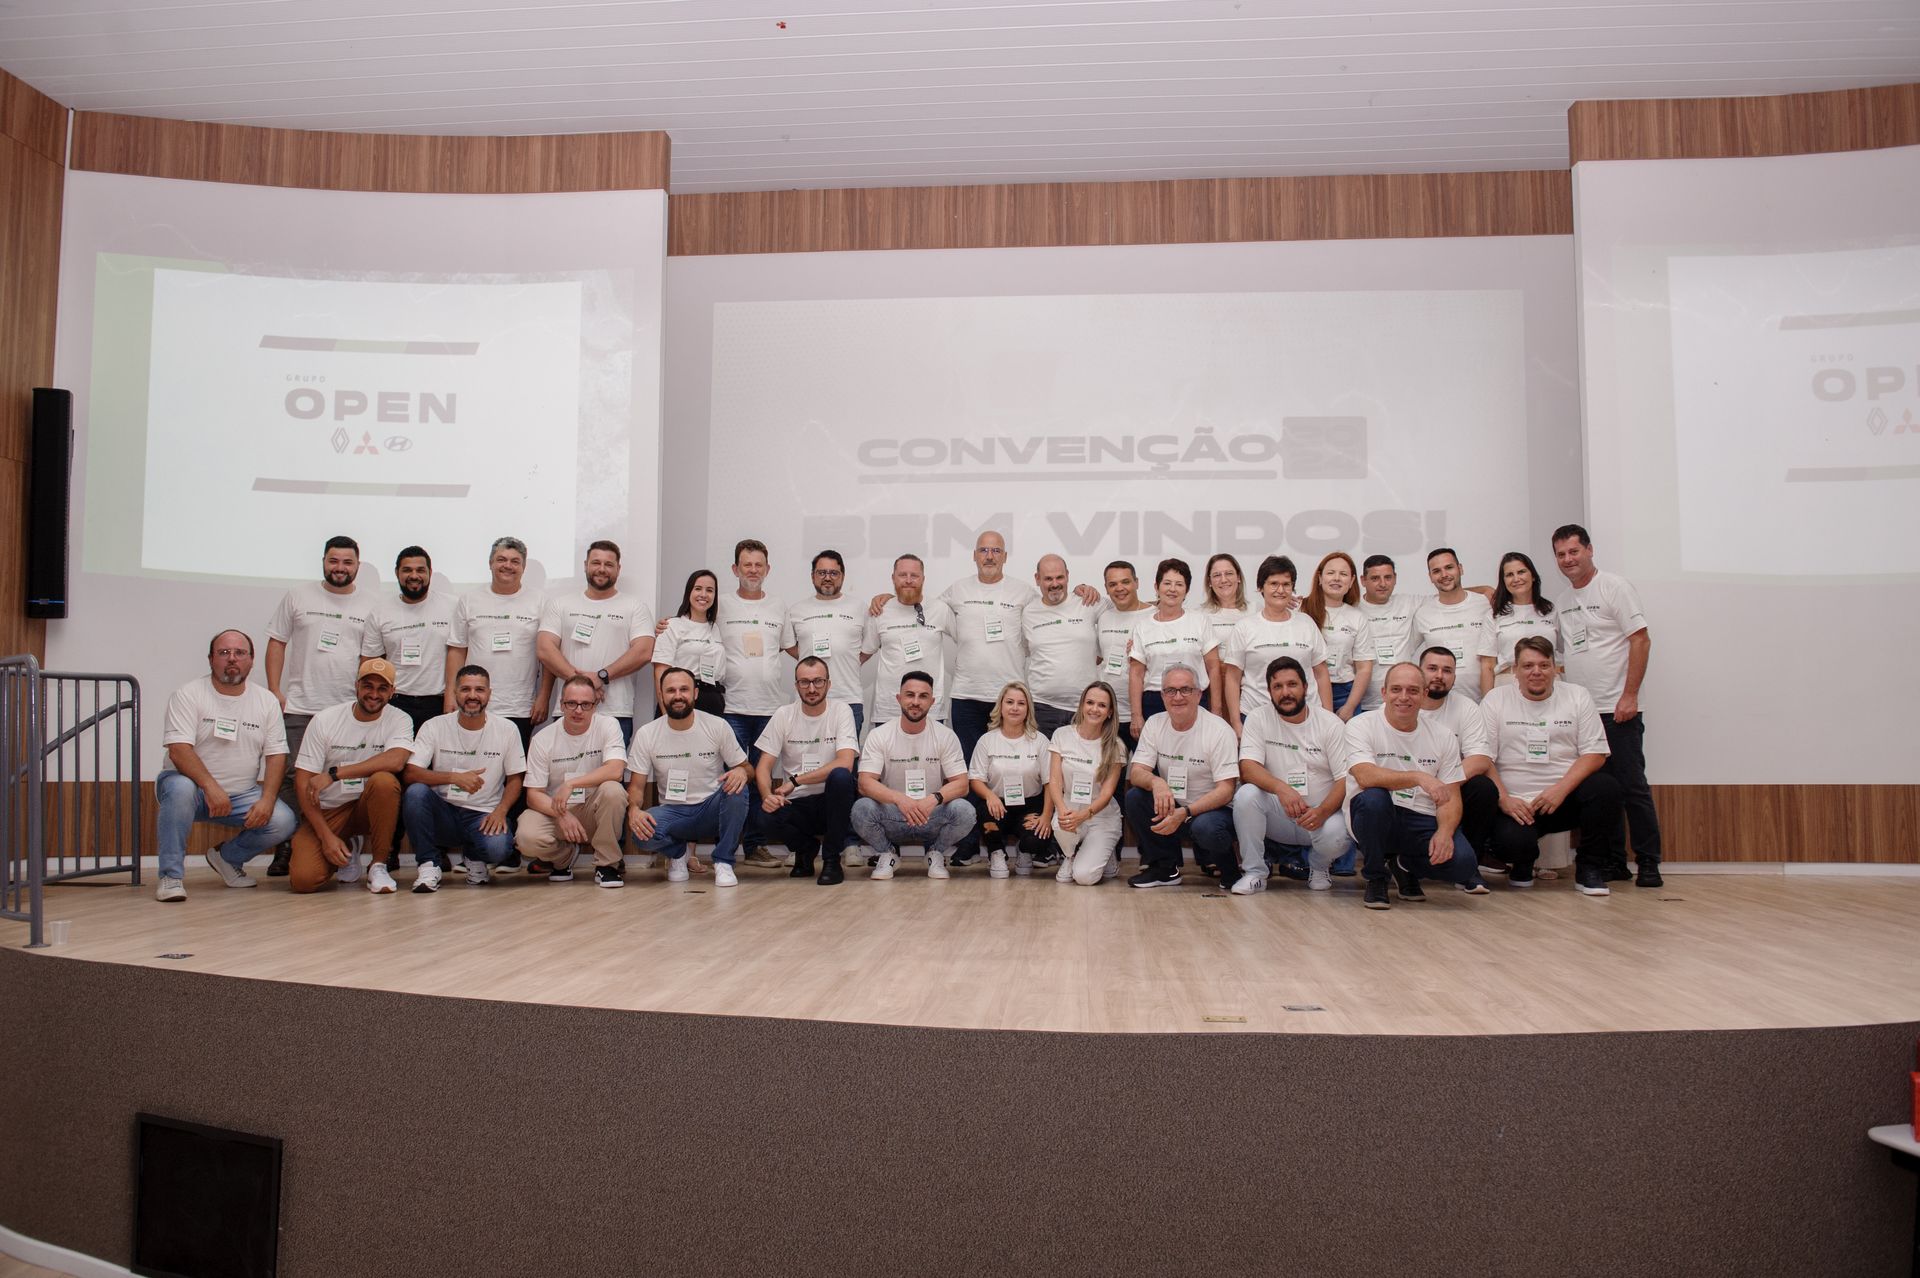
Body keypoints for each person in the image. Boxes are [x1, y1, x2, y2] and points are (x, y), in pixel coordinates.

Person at [1553, 523, 1662, 887]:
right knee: (1603, 791)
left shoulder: (1614, 587)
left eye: (1573, 551)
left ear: (1589, 550)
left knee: (1631, 786)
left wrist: (1629, 695)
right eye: (1561, 554)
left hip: (1618, 708)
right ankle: (1615, 862)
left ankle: (1648, 862)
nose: (1568, 560)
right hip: (1583, 715)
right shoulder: (1564, 601)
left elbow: (1641, 641)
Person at [153, 630, 298, 901]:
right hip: (192, 790)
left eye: (240, 653)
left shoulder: (266, 700)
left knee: (283, 820)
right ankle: (171, 877)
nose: (232, 659)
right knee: (181, 788)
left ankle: (227, 858)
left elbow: (277, 755)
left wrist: (267, 799)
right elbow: (179, 750)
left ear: (252, 660)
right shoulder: (188, 694)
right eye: (224, 653)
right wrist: (210, 787)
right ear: (210, 659)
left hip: (242, 795)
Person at [264, 534, 373, 876]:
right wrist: (273, 691)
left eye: (347, 562)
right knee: (294, 776)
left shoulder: (370, 604)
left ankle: (345, 842)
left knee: (346, 780)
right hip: (301, 704)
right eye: (333, 561)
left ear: (358, 565)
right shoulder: (298, 596)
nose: (339, 568)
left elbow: (371, 658)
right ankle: (288, 843)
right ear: (324, 561)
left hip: (347, 709)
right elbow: (277, 642)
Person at [1481, 636, 1624, 895]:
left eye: (1544, 665)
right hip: (1516, 805)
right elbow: (1483, 758)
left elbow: (1595, 753)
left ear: (1555, 669)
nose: (1536, 672)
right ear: (1515, 670)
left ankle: (1589, 868)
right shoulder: (1495, 699)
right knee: (1512, 844)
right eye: (1528, 666)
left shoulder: (1577, 696)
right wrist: (1504, 799)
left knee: (1606, 787)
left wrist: (1560, 790)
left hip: (1562, 800)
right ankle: (1522, 863)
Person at [1344, 662, 1489, 910]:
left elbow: (1451, 796)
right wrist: (1419, 777)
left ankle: (1403, 864)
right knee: (1374, 799)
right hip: (1375, 816)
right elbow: (1366, 777)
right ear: (1383, 693)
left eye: (1412, 691)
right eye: (1396, 689)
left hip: (1421, 816)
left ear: (1424, 695)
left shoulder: (1442, 736)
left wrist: (1444, 831)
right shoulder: (1361, 725)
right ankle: (1376, 878)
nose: (1403, 697)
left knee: (1463, 864)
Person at [287, 658, 413, 895]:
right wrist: (326, 837)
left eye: (382, 688)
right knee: (303, 880)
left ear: (392, 692)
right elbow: (303, 782)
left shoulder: (400, 719)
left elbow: (396, 760)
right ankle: (345, 845)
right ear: (356, 686)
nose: (374, 694)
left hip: (368, 806)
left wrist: (335, 774)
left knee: (384, 781)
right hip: (330, 810)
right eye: (368, 686)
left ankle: (378, 865)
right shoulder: (325, 720)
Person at [1230, 656, 1352, 895]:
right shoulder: (1258, 717)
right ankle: (1255, 873)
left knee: (1338, 836)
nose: (1285, 692)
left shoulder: (1330, 724)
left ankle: (1318, 867)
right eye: (1278, 686)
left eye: (1292, 684)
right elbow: (1248, 767)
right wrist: (1281, 788)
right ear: (1270, 692)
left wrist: (1323, 811)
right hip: (1280, 813)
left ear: (1306, 687)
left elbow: (1345, 779)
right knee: (1245, 795)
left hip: (1320, 814)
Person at [400, 665, 527, 891]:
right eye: (465, 689)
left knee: (498, 849)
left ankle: (474, 856)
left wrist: (501, 811)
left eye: (479, 690)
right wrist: (453, 777)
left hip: (484, 815)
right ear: (455, 693)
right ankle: (429, 865)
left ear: (489, 693)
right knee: (416, 793)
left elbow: (515, 779)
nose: (472, 696)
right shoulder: (434, 726)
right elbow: (410, 773)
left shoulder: (507, 729)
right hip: (444, 812)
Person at [625, 668, 753, 888]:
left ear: (694, 693)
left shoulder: (716, 725)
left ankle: (723, 862)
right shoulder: (647, 733)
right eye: (671, 690)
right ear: (662, 695)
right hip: (674, 813)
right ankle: (678, 854)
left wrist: (742, 771)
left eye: (684, 689)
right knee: (641, 834)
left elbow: (747, 768)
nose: (677, 696)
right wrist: (634, 810)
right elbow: (636, 787)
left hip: (711, 809)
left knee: (738, 788)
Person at [1122, 664, 1239, 888]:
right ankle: (1165, 869)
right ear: (1162, 695)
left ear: (1199, 694)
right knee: (1136, 798)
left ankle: (1230, 871)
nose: (1177, 697)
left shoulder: (1219, 730)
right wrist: (1156, 782)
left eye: (1185, 690)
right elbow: (1137, 772)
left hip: (1215, 812)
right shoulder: (1155, 723)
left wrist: (1185, 812)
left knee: (1205, 827)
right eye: (1170, 691)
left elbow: (1226, 791)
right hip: (1175, 805)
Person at [849, 671, 975, 880]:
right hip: (894, 815)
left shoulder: (945, 735)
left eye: (923, 696)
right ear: (899, 698)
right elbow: (865, 783)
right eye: (909, 695)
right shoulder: (880, 735)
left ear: (932, 702)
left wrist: (933, 799)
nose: (915, 702)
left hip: (930, 814)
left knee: (965, 811)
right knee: (861, 809)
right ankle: (887, 854)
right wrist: (900, 799)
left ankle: (935, 853)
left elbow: (962, 784)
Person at [536, 540, 655, 744]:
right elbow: (545, 649)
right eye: (596, 563)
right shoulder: (560, 604)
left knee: (611, 773)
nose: (602, 569)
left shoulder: (635, 607)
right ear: (585, 565)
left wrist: (603, 675)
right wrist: (585, 685)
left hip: (616, 711)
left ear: (618, 569)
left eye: (608, 564)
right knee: (564, 773)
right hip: (569, 708)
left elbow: (644, 651)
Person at [753, 657, 859, 885]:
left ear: (828, 684)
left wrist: (795, 781)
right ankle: (806, 849)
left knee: (842, 778)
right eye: (805, 682)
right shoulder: (784, 714)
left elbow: (845, 762)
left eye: (818, 682)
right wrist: (767, 796)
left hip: (832, 803)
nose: (811, 689)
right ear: (796, 686)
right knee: (763, 815)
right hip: (797, 805)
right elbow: (763, 766)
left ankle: (831, 860)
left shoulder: (842, 711)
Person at [515, 674, 629, 885]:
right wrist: (561, 814)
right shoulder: (542, 739)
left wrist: (572, 783)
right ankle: (563, 858)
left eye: (585, 704)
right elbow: (533, 796)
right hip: (557, 811)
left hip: (593, 811)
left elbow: (616, 770)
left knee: (614, 790)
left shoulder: (608, 725)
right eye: (571, 703)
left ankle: (606, 865)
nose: (578, 710)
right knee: (525, 836)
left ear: (595, 705)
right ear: (561, 705)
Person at [446, 536, 550, 750]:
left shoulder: (540, 601)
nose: (507, 566)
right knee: (472, 764)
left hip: (519, 706)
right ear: (490, 563)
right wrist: (450, 694)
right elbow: (457, 649)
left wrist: (544, 696)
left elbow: (548, 654)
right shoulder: (469, 599)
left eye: (515, 561)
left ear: (523, 566)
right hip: (473, 701)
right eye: (501, 559)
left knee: (514, 772)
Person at [1221, 554, 1331, 735]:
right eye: (1273, 584)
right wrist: (1236, 723)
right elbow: (1232, 678)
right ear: (1261, 588)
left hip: (1306, 717)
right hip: (1256, 717)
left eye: (1286, 584)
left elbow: (1321, 673)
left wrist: (1327, 716)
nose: (1280, 590)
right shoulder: (1245, 627)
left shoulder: (1306, 623)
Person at [1415, 646, 1502, 873]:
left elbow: (1481, 758)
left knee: (1483, 788)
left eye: (1447, 671)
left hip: (1450, 787)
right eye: (1432, 668)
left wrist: (1442, 785)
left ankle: (1471, 861)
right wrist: (1424, 783)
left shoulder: (1466, 707)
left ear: (1454, 677)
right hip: (1408, 786)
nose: (1439, 676)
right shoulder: (1401, 703)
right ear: (1419, 671)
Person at [967, 682, 1055, 878]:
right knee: (985, 816)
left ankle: (1024, 851)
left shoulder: (1040, 740)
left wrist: (1047, 816)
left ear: (1028, 709)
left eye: (1021, 703)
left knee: (1036, 840)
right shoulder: (987, 740)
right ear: (1001, 706)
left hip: (1030, 805)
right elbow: (975, 779)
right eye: (1010, 702)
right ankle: (996, 853)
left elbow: (1051, 783)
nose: (1015, 708)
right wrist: (989, 796)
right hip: (997, 805)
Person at [363, 545, 455, 731]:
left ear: (430, 572)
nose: (414, 576)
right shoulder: (380, 611)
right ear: (397, 573)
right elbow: (370, 662)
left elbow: (461, 652)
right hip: (394, 702)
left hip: (439, 702)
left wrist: (452, 696)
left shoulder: (452, 606)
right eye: (407, 570)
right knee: (394, 759)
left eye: (420, 570)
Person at [1127, 558, 1224, 728]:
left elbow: (1214, 668)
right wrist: (1136, 715)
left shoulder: (1200, 621)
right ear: (1157, 587)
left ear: (1186, 591)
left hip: (1194, 699)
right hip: (1154, 701)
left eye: (1179, 584)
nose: (1172, 589)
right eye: (1167, 583)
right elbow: (1136, 674)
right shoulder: (1142, 627)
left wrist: (1216, 710)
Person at [1047, 681, 1127, 886]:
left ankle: (1105, 854)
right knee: (1060, 823)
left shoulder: (1116, 745)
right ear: (1082, 705)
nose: (1094, 709)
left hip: (1101, 816)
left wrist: (1084, 815)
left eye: (1102, 705)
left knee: (1084, 878)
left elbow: (1107, 793)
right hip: (1069, 808)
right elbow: (1054, 781)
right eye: (1090, 702)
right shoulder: (1062, 735)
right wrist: (1063, 810)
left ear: (1110, 712)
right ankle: (1069, 856)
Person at [860, 554, 953, 726]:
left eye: (914, 575)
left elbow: (966, 638)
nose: (908, 580)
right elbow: (863, 654)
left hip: (930, 710)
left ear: (923, 579)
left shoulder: (940, 609)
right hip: (888, 709)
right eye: (903, 575)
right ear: (893, 578)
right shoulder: (880, 611)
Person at [785, 549, 869, 734]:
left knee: (848, 760)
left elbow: (869, 646)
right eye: (822, 572)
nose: (827, 577)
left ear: (843, 576)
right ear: (812, 576)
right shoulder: (797, 610)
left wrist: (850, 659)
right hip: (808, 699)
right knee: (806, 756)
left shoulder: (860, 608)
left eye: (833, 573)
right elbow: (789, 645)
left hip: (848, 699)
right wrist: (809, 659)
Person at [1022, 554, 1104, 739]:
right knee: (1045, 767)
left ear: (1067, 575)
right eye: (1048, 578)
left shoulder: (1087, 601)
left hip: (1085, 709)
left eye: (1059, 577)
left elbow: (1124, 613)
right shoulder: (1028, 613)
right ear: (1037, 579)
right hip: (1042, 709)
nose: (1055, 583)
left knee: (1084, 767)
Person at [1412, 548, 1496, 702]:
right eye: (1436, 571)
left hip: (1484, 699)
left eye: (1449, 567)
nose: (1444, 575)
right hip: (1440, 702)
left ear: (1460, 569)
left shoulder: (1486, 603)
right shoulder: (1423, 613)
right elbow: (1405, 651)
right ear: (1430, 577)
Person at [1301, 551, 1375, 722]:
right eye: (1330, 573)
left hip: (1345, 693)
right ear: (1319, 578)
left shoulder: (1357, 617)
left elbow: (1364, 668)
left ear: (1352, 581)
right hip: (1309, 690)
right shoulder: (1300, 610)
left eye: (1343, 574)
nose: (1336, 578)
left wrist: (1350, 707)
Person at [655, 569, 727, 715]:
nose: (703, 595)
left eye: (710, 590)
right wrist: (665, 714)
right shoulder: (672, 626)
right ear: (689, 592)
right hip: (682, 699)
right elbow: (660, 672)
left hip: (713, 700)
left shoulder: (716, 628)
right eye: (698, 589)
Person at [1096, 561, 1153, 745]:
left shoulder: (1154, 616)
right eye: (1113, 584)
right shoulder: (1104, 617)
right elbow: (1099, 659)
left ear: (1136, 582)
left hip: (1144, 712)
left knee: (1144, 771)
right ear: (1106, 588)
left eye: (1125, 582)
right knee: (1110, 772)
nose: (1119, 588)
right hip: (1110, 715)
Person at [1354, 555, 1417, 713]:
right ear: (1363, 580)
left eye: (1388, 577)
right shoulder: (1351, 609)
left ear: (1395, 578)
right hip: (1363, 704)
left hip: (1402, 703)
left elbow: (1445, 596)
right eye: (1375, 578)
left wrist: (1483, 590)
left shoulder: (1408, 603)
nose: (1382, 584)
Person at [1490, 551, 1559, 683]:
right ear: (1503, 581)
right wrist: (1487, 700)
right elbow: (1487, 666)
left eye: (1521, 572)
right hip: (1508, 681)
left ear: (1533, 576)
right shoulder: (1494, 614)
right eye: (1509, 575)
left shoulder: (1551, 610)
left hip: (1548, 682)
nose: (1516, 579)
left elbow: (1563, 651)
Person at [1200, 552, 1249, 650]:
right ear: (1209, 582)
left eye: (1229, 573)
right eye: (1217, 575)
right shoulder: (1199, 615)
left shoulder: (1256, 610)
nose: (1223, 580)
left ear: (1238, 577)